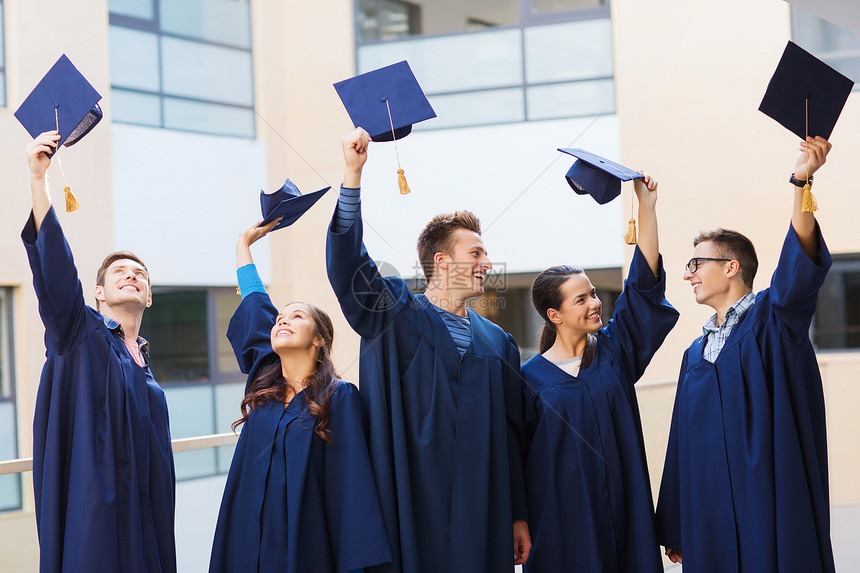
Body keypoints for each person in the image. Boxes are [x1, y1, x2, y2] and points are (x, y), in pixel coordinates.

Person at [326, 128, 530, 572]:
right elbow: (348, 266)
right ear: (441, 261)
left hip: (483, 514)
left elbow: (512, 437)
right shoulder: (393, 313)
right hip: (408, 507)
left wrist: (517, 513)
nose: (487, 264)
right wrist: (352, 176)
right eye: (475, 253)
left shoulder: (499, 344)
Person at [655, 136, 836, 572]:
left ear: (731, 267)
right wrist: (677, 523)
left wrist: (800, 182)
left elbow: (797, 269)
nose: (687, 274)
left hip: (768, 508)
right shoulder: (694, 354)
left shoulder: (774, 323)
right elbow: (681, 441)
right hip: (711, 519)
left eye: (696, 264)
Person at [23, 131, 176, 572]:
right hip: (97, 527)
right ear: (98, 294)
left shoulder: (144, 363)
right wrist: (39, 181)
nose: (131, 276)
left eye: (140, 274)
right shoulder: (80, 335)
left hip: (147, 525)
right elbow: (55, 275)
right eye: (119, 272)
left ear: (149, 297)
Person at [209, 218, 391, 573]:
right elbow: (256, 305)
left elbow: (351, 490)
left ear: (320, 338)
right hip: (248, 540)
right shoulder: (264, 386)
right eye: (279, 318)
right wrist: (243, 246)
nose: (281, 321)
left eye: (296, 316)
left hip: (304, 546)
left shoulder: (338, 399)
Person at [521, 173, 678, 572]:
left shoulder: (615, 349)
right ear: (554, 315)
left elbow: (642, 289)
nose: (594, 303)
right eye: (582, 299)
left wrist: (646, 207)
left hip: (627, 513)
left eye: (593, 293)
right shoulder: (528, 380)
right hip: (563, 524)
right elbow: (515, 460)